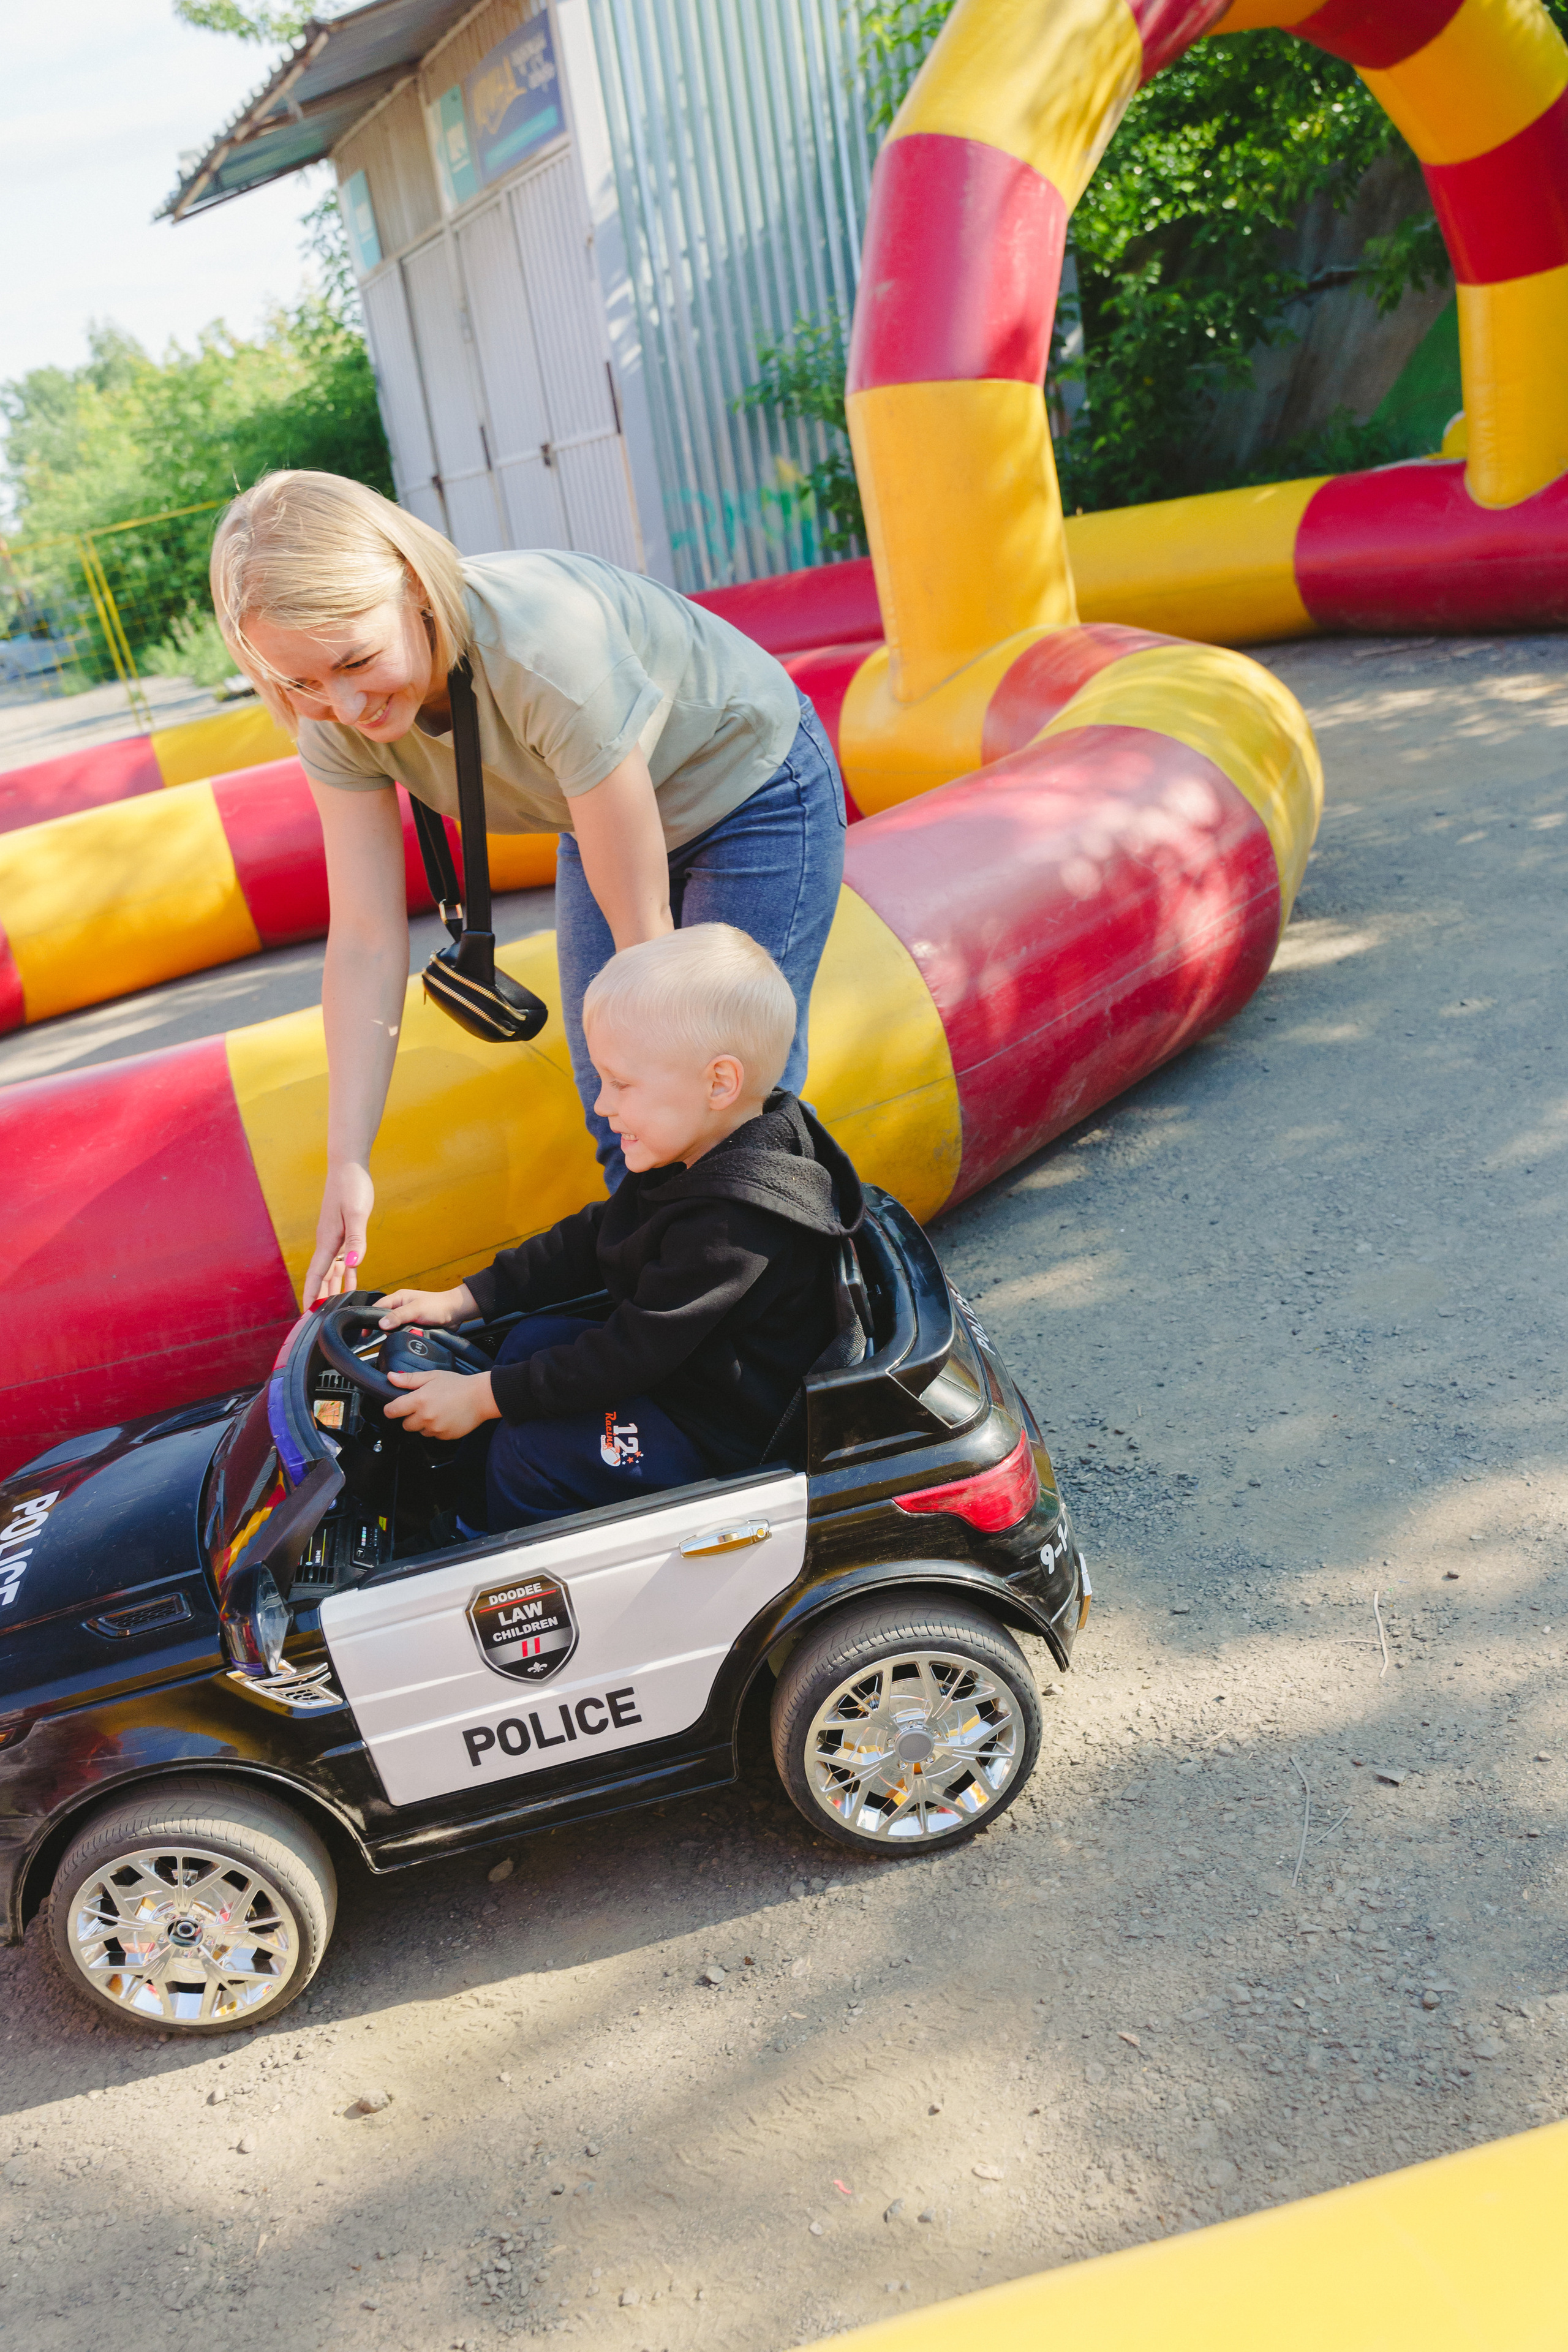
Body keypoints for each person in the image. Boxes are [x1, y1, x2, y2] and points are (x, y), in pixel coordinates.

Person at [208, 470, 847, 1309]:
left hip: (747, 788)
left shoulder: (542, 642)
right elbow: (364, 937)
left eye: (356, 660)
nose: (345, 703)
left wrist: (663, 1068)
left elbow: (648, 942)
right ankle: (668, 1327)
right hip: (598, 811)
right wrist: (348, 1163)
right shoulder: (331, 718)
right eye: (300, 683)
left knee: (703, 1096)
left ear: (414, 587)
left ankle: (786, 1328)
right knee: (620, 1110)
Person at [371, 924, 864, 1532]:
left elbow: (631, 1352)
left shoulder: (735, 1226)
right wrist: (465, 1299)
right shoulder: (697, 1148)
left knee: (531, 1456)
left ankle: (487, 1551)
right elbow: (595, 1235)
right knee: (530, 1339)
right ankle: (465, 1505)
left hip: (719, 1435)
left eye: (621, 1084)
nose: (603, 1104)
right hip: (683, 1377)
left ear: (718, 1083)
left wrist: (481, 1397)